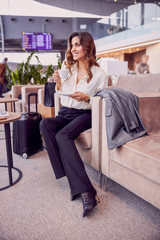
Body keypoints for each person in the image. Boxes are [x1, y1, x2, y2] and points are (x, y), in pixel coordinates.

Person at [40, 31, 108, 217]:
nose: (73, 49)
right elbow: (63, 93)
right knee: (45, 124)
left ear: (87, 46)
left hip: (85, 112)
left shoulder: (99, 74)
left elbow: (104, 100)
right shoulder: (68, 68)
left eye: (77, 44)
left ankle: (87, 192)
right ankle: (72, 176)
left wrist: (88, 97)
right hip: (66, 112)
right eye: (72, 45)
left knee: (63, 136)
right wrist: (60, 83)